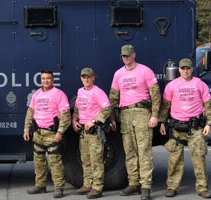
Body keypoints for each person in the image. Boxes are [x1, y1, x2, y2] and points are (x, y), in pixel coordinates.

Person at [109, 44, 161, 200]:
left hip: (142, 113)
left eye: (128, 55)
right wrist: (112, 118)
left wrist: (155, 115)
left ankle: (146, 186)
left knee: (144, 151)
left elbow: (156, 95)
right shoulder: (118, 74)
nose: (126, 58)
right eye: (123, 56)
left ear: (134, 55)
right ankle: (133, 183)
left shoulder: (145, 71)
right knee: (129, 151)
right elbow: (113, 97)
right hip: (125, 114)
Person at [159, 58, 211, 198]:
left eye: (188, 68)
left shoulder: (199, 84)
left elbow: (208, 105)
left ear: (192, 69)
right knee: (175, 159)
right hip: (177, 127)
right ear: (179, 70)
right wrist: (162, 122)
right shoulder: (172, 85)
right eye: (183, 68)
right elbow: (165, 106)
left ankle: (202, 188)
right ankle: (172, 187)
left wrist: (208, 124)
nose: (186, 71)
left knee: (199, 158)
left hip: (195, 128)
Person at [23, 69, 71, 198]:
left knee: (55, 162)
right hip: (38, 133)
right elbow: (30, 112)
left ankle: (58, 188)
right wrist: (26, 129)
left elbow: (65, 116)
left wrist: (60, 132)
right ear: (41, 80)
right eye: (43, 78)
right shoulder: (36, 94)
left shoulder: (59, 94)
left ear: (52, 80)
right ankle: (40, 185)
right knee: (38, 160)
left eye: (48, 78)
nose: (45, 81)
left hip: (52, 133)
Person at [72, 68, 111, 199]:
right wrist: (74, 120)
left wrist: (94, 121)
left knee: (96, 160)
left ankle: (97, 188)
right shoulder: (80, 91)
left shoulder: (98, 92)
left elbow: (107, 109)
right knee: (85, 159)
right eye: (84, 77)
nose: (86, 79)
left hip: (94, 131)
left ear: (93, 78)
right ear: (81, 78)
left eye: (89, 77)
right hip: (83, 131)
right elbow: (77, 108)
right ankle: (87, 184)